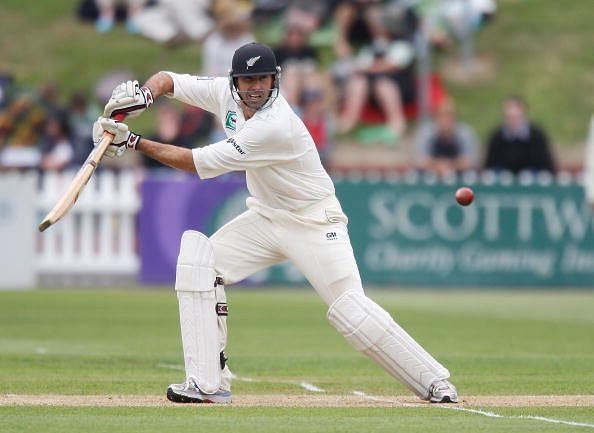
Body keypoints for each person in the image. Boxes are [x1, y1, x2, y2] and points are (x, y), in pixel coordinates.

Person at [92, 42, 458, 404]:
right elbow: (169, 79)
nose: (255, 88)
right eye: (248, 80)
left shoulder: (275, 125)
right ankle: (207, 383)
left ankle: (434, 382)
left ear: (274, 80)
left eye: (262, 79)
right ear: (235, 81)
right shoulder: (226, 94)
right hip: (266, 217)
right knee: (199, 262)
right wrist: (144, 95)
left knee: (350, 309)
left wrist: (135, 142)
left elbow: (195, 162)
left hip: (314, 221)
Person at [484, 96, 555, 174]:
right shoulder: (497, 136)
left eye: (516, 116)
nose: (513, 119)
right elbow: (489, 165)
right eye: (510, 116)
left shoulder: (536, 135)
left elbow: (546, 165)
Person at [414, 100, 478, 176]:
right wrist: (438, 165)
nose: (445, 121)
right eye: (442, 116)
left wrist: (449, 165)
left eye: (449, 116)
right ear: (436, 118)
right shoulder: (426, 133)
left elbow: (470, 162)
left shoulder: (465, 133)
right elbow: (419, 161)